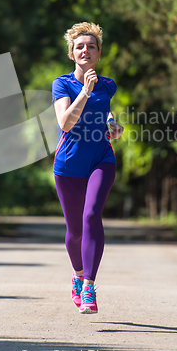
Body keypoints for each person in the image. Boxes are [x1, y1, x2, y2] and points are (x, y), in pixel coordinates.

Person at [51, 22, 124, 314]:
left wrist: (113, 126)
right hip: (68, 163)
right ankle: (78, 274)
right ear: (72, 53)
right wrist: (85, 89)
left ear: (98, 53)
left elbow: (103, 115)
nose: (85, 50)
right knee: (74, 230)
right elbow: (65, 122)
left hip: (100, 158)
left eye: (91, 46)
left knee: (92, 215)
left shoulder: (108, 85)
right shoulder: (62, 84)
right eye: (80, 46)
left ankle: (89, 286)